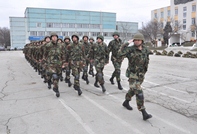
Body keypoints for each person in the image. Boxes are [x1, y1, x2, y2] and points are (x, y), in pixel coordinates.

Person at [118, 33, 152, 120]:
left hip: (141, 75)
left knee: (133, 90)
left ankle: (126, 102)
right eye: (135, 40)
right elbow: (120, 53)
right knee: (139, 93)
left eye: (138, 40)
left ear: (142, 41)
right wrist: (126, 43)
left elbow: (147, 59)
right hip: (132, 74)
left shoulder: (145, 49)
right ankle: (143, 112)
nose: (136, 42)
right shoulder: (130, 49)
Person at [43, 32, 67, 97]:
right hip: (51, 64)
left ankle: (55, 87)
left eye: (55, 36)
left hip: (58, 64)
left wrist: (64, 63)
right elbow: (45, 55)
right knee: (55, 76)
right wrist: (45, 63)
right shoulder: (48, 46)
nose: (54, 38)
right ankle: (56, 89)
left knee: (57, 78)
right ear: (51, 38)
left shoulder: (60, 45)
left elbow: (63, 55)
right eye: (53, 37)